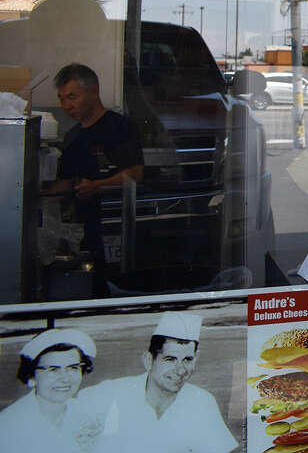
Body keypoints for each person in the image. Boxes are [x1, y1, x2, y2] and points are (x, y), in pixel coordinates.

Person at [46, 63, 144, 297]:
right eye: (61, 99)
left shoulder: (118, 127)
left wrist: (97, 186)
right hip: (86, 229)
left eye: (72, 97)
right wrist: (37, 199)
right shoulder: (73, 137)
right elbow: (67, 181)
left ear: (93, 92)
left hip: (120, 225)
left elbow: (135, 173)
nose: (66, 105)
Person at [82, 312, 236, 453]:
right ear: (149, 360)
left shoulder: (201, 401)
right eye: (170, 359)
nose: (180, 370)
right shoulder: (110, 393)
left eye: (187, 360)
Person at [0, 328, 103, 451]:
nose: (65, 379)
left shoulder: (89, 414)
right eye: (53, 370)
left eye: (72, 368)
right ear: (31, 377)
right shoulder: (10, 425)